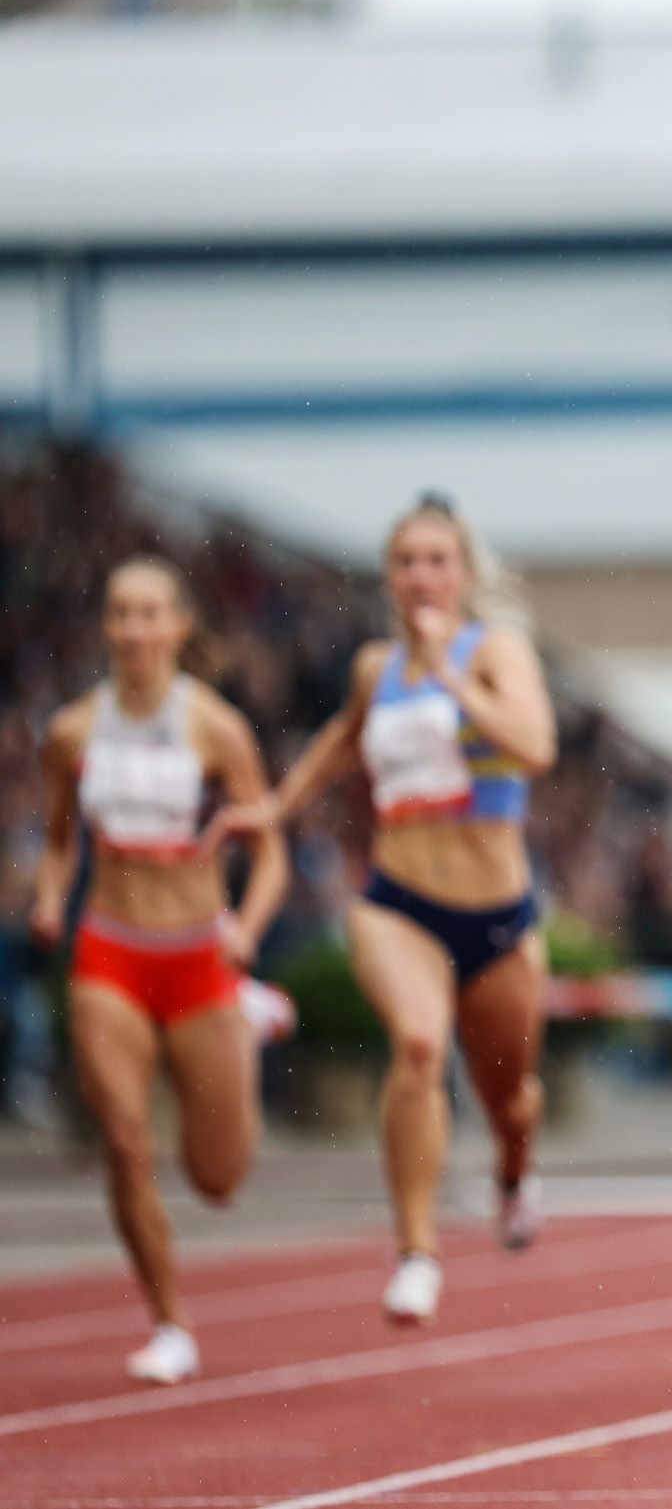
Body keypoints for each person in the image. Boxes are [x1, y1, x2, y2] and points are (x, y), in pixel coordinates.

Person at [229, 494, 556, 1324]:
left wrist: (452, 676)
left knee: (510, 1097)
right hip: (398, 901)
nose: (422, 575)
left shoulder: (495, 650)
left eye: (438, 560)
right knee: (417, 1046)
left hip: (498, 914)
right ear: (389, 575)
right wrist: (276, 805)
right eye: (407, 560)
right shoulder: (377, 668)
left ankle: (514, 1173)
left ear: (466, 574)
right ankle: (416, 1249)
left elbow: (535, 743)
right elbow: (343, 739)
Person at [32, 557, 292, 1385]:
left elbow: (271, 850)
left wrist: (246, 929)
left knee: (217, 1179)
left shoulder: (216, 729)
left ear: (181, 626)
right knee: (124, 1137)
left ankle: (245, 1017)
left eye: (151, 614)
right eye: (121, 613)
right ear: (106, 626)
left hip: (199, 960)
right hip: (110, 952)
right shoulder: (72, 730)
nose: (135, 629)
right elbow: (62, 837)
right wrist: (47, 898)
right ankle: (170, 1321)